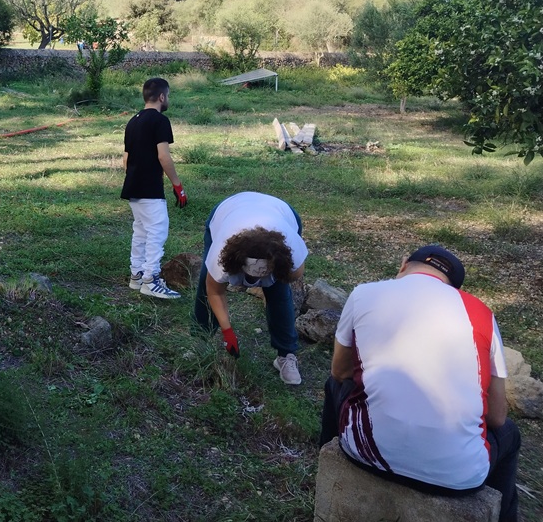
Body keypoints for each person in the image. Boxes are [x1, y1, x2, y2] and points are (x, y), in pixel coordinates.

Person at [319, 245, 521, 522]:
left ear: (404, 264)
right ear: (454, 288)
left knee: (334, 386)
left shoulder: (364, 293)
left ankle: (324, 461)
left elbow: (339, 372)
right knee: (510, 434)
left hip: (364, 453)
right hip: (458, 479)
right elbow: (497, 417)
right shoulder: (482, 313)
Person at [192, 191, 306, 385]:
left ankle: (286, 355)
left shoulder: (291, 255)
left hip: (281, 212)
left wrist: (275, 275)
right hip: (227, 211)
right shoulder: (221, 254)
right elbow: (215, 291)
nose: (253, 281)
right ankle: (199, 340)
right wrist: (227, 332)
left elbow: (291, 277)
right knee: (206, 283)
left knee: (278, 292)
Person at [121, 77, 187, 300]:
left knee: (140, 230)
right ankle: (151, 279)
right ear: (161, 96)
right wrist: (177, 185)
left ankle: (136, 275)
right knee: (157, 231)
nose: (167, 99)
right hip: (150, 187)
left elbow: (125, 159)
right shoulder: (160, 120)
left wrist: (135, 177)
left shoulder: (133, 121)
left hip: (132, 185)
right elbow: (163, 156)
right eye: (167, 95)